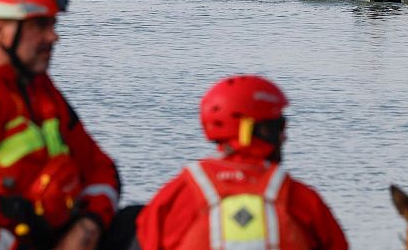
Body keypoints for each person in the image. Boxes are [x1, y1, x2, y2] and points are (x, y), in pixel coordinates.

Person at [0, 0, 129, 249]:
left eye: (53, 25)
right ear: (0, 29)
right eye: (40, 25)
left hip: (56, 235)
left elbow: (102, 170)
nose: (54, 37)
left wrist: (88, 226)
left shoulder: (41, 90)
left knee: (143, 225)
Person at [134, 75, 349, 249]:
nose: (285, 136)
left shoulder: (178, 194)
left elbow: (148, 239)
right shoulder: (300, 199)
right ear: (258, 130)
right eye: (280, 125)